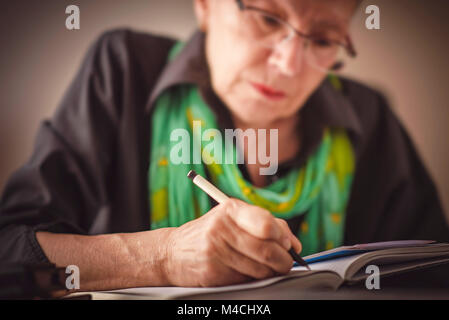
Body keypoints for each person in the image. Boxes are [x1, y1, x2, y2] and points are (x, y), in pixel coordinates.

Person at [1, 0, 448, 291]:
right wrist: (162, 258)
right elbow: (9, 251)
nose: (288, 65)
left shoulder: (371, 117)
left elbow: (434, 272)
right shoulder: (122, 72)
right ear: (205, 7)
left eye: (324, 39)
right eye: (269, 17)